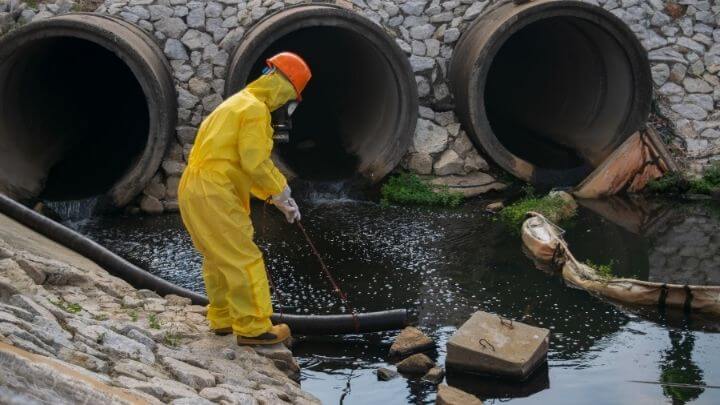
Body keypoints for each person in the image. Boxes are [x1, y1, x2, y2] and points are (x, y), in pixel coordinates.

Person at [178, 52, 311, 345]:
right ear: (284, 87)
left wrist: (274, 198)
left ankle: (224, 318)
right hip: (215, 190)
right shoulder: (255, 110)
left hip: (194, 185)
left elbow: (235, 162)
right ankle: (253, 327)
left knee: (217, 257)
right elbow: (254, 162)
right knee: (243, 257)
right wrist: (281, 189)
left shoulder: (236, 103)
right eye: (291, 98)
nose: (286, 106)